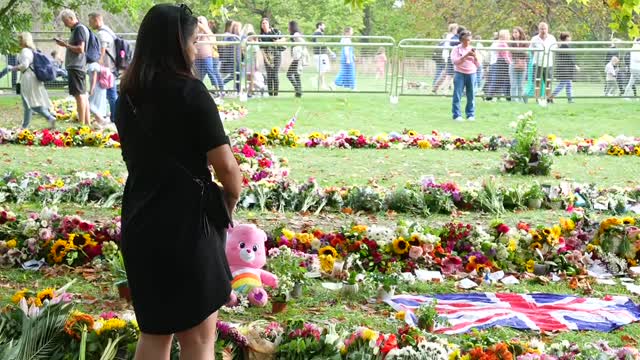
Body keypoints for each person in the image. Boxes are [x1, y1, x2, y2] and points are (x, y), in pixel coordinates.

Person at [115, 4, 242, 359]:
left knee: (155, 335)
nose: (195, 47)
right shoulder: (192, 94)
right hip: (189, 227)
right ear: (178, 44)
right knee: (199, 340)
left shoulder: (126, 97)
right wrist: (227, 203)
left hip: (141, 220)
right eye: (194, 40)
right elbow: (228, 170)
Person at [9, 32, 56, 129]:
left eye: (20, 39)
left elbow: (24, 65)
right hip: (31, 77)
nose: (18, 41)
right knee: (28, 103)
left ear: (23, 40)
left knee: (29, 103)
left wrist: (14, 68)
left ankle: (49, 117)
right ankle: (25, 126)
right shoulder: (31, 50)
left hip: (28, 78)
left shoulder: (25, 51)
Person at [56, 9, 90, 125]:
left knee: (79, 95)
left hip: (76, 66)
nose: (65, 24)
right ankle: (86, 123)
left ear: (71, 18)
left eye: (65, 21)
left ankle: (82, 124)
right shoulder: (78, 29)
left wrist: (65, 45)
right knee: (83, 95)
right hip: (78, 66)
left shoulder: (79, 29)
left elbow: (81, 49)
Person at [89, 12, 118, 122]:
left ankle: (115, 117)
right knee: (110, 93)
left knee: (111, 94)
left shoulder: (102, 33)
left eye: (91, 21)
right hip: (111, 67)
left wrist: (100, 61)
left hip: (107, 69)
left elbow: (103, 47)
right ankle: (112, 116)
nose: (90, 24)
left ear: (97, 20)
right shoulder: (108, 31)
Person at [450, 30, 480, 122]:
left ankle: (470, 114)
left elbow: (478, 64)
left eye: (469, 40)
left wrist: (475, 57)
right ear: (461, 40)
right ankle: (456, 115)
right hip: (459, 73)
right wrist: (466, 56)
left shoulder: (473, 49)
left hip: (471, 73)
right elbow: (455, 62)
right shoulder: (456, 49)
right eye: (465, 40)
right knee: (457, 94)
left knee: (471, 95)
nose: (467, 42)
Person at [195, 16, 224, 93]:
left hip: (207, 56)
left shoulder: (207, 31)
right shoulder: (195, 32)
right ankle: (197, 90)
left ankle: (218, 89)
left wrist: (199, 23)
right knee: (198, 75)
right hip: (197, 57)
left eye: (201, 22)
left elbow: (207, 31)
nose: (199, 24)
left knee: (210, 71)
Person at [530, 22, 557, 103]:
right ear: (539, 29)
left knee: (548, 81)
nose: (543, 30)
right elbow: (531, 49)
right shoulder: (534, 38)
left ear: (547, 29)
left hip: (548, 63)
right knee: (537, 81)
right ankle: (537, 98)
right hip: (537, 63)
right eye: (542, 29)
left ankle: (549, 98)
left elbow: (555, 48)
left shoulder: (552, 38)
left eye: (545, 29)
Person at [550, 32, 579, 103]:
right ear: (566, 39)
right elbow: (570, 57)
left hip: (566, 69)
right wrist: (575, 65)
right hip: (565, 69)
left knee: (568, 84)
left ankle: (570, 99)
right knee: (563, 84)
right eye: (569, 38)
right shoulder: (565, 46)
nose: (570, 39)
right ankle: (551, 97)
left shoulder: (564, 46)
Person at [260, 18, 285, 96]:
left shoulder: (275, 31)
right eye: (263, 23)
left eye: (266, 23)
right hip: (267, 56)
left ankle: (276, 93)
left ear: (268, 24)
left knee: (275, 73)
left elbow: (284, 39)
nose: (264, 24)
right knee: (269, 74)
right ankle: (270, 93)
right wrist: (266, 59)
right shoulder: (261, 36)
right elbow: (262, 49)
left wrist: (277, 41)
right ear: (261, 25)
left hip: (276, 55)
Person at [433, 23, 459, 94]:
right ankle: (441, 88)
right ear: (453, 29)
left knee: (446, 73)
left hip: (448, 56)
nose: (457, 30)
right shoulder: (451, 36)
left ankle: (436, 88)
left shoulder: (450, 36)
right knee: (448, 74)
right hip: (449, 57)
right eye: (456, 29)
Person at [487, 29, 511, 100]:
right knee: (498, 80)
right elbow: (504, 55)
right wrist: (510, 62)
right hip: (500, 63)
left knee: (501, 80)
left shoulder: (498, 43)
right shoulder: (502, 44)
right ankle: (490, 95)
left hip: (497, 63)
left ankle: (506, 95)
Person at [311, 22, 336, 90]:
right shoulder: (318, 33)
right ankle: (315, 78)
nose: (324, 27)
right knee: (326, 69)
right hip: (321, 55)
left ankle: (323, 85)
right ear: (319, 26)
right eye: (323, 26)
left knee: (321, 70)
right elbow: (324, 44)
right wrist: (331, 52)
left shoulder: (315, 33)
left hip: (317, 55)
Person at [87, 62, 110, 126]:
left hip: (97, 87)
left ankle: (102, 120)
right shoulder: (97, 64)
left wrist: (92, 89)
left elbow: (94, 77)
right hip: (101, 87)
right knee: (97, 105)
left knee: (89, 104)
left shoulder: (93, 64)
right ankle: (99, 122)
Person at [221, 21, 242, 92]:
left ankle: (238, 90)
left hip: (238, 59)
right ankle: (221, 83)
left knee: (238, 75)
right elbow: (225, 42)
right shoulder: (230, 36)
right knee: (234, 75)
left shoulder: (238, 37)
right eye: (238, 27)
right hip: (232, 59)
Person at [510, 27, 528, 102]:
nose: (515, 34)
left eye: (516, 32)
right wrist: (519, 51)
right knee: (513, 83)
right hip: (513, 63)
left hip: (523, 63)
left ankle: (520, 99)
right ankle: (514, 100)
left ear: (520, 33)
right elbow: (511, 52)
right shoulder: (510, 42)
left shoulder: (525, 42)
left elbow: (526, 53)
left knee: (521, 84)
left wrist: (518, 52)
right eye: (513, 32)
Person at [287, 21, 304, 97]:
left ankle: (298, 89)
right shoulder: (294, 34)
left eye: (289, 26)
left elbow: (303, 42)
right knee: (296, 74)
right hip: (297, 57)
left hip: (298, 57)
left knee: (289, 74)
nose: (288, 27)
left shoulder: (296, 34)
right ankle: (298, 93)